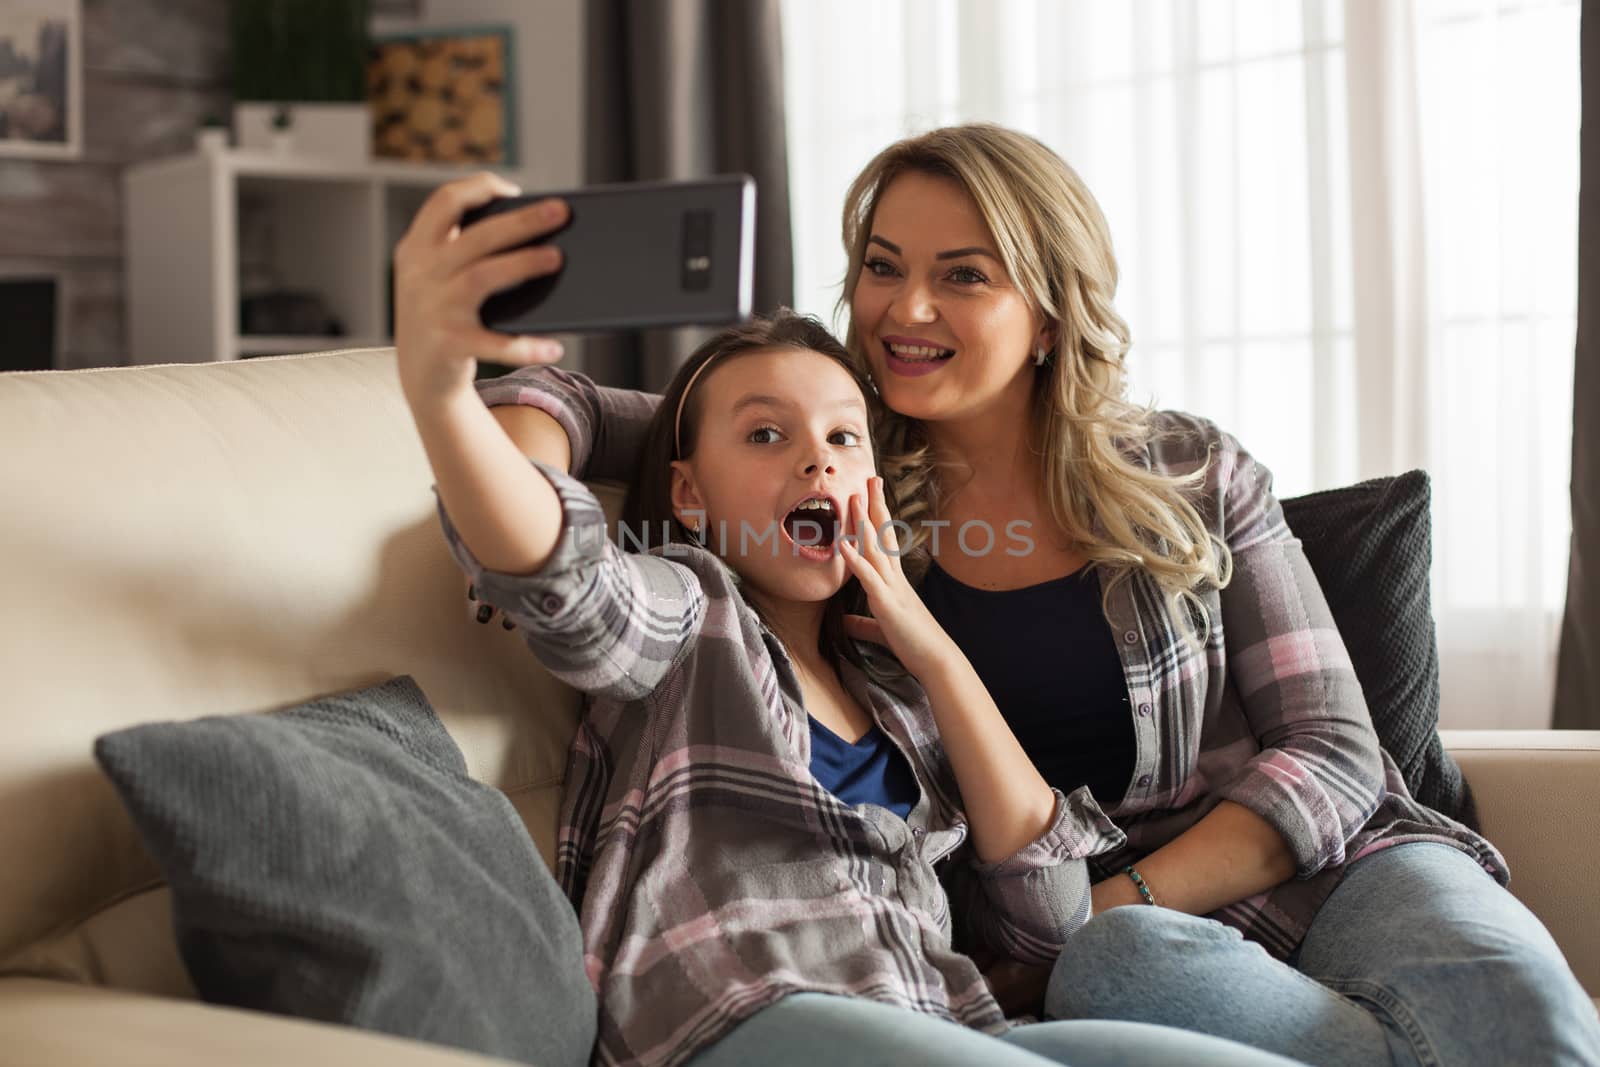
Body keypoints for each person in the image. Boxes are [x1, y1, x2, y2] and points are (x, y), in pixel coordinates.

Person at [455, 126, 1600, 1067]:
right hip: (1106, 953)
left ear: (1049, 312)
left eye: (963, 274)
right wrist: (517, 410)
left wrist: (1119, 896)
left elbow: (1338, 754)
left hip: (1333, 870)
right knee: (1134, 962)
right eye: (882, 265)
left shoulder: (1192, 473)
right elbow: (615, 406)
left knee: (1521, 1016)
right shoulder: (842, 484)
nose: (904, 309)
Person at [398, 202, 1306, 1067]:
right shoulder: (694, 615)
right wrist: (442, 394)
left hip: (936, 1018)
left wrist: (940, 660)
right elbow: (572, 582)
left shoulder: (901, 694)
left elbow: (1053, 922)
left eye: (845, 436)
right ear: (688, 494)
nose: (816, 457)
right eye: (764, 434)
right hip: (734, 1014)